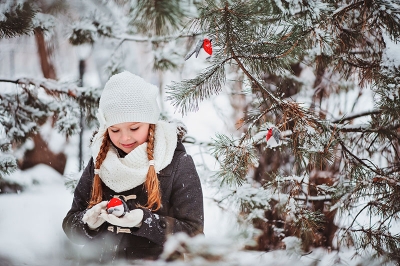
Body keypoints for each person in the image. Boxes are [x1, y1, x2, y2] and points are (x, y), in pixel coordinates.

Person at [62, 71, 204, 264]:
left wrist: (145, 222)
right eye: (115, 130)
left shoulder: (176, 162)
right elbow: (71, 223)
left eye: (134, 128)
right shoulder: (99, 160)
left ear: (150, 123)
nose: (125, 138)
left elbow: (193, 235)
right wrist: (88, 224)